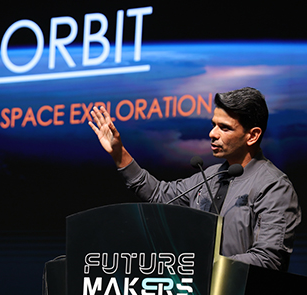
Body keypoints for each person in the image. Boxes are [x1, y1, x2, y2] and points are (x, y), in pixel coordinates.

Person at [89, 87, 301, 271]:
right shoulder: (210, 176)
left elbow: (269, 259)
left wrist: (203, 265)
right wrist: (119, 154)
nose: (212, 133)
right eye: (214, 124)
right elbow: (159, 194)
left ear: (252, 135)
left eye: (224, 128)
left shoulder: (274, 186)